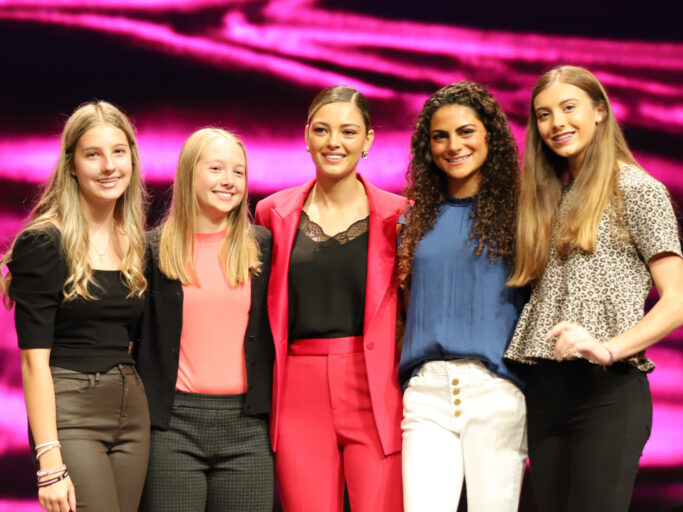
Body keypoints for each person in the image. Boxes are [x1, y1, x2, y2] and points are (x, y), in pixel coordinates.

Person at [505, 65, 683, 512]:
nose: (557, 123)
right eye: (544, 115)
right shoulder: (550, 198)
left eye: (569, 108)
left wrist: (608, 348)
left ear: (599, 111)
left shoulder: (637, 189)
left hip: (607, 392)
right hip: (545, 392)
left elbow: (678, 299)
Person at [255, 86, 406, 512]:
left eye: (348, 131)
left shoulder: (402, 216)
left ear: (368, 140)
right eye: (322, 130)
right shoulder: (272, 213)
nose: (334, 142)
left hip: (376, 386)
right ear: (306, 136)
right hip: (298, 391)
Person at [1, 101, 149, 512]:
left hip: (132, 411)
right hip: (72, 410)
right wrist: (49, 461)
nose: (109, 166)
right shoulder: (44, 243)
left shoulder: (136, 241)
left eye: (119, 152)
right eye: (93, 154)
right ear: (71, 165)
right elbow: (33, 364)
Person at [396, 81, 528, 512]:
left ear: (490, 135)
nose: (454, 145)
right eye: (440, 136)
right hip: (426, 394)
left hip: (496, 391)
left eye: (466, 131)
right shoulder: (412, 220)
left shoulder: (523, 216)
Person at [136, 128, 274, 511]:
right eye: (216, 168)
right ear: (188, 172)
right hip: (172, 428)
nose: (228, 181)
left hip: (248, 429)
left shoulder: (262, 246)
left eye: (238, 172)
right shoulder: (151, 249)